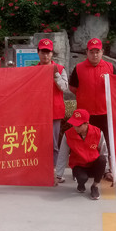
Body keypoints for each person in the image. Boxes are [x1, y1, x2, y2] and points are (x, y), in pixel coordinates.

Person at [69, 38, 116, 182]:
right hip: (85, 115)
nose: (95, 55)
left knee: (106, 143)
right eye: (92, 52)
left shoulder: (110, 67)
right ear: (86, 52)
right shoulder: (79, 68)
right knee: (82, 142)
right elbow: (73, 87)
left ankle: (107, 170)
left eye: (97, 51)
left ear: (102, 52)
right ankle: (80, 168)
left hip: (104, 113)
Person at [55, 109, 109, 200]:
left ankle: (95, 186)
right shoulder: (67, 135)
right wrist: (58, 175)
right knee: (82, 178)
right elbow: (63, 155)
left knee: (102, 159)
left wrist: (107, 171)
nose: (75, 128)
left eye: (79, 125)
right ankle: (81, 184)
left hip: (93, 164)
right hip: (79, 166)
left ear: (87, 123)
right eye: (73, 124)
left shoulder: (98, 132)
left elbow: (104, 152)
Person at [36, 38, 68, 182]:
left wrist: (56, 75)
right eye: (43, 52)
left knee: (54, 143)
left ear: (52, 54)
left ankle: (55, 172)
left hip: (55, 112)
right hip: (38, 113)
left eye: (48, 52)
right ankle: (39, 170)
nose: (46, 55)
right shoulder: (33, 70)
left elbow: (64, 87)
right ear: (38, 53)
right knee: (38, 142)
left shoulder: (60, 69)